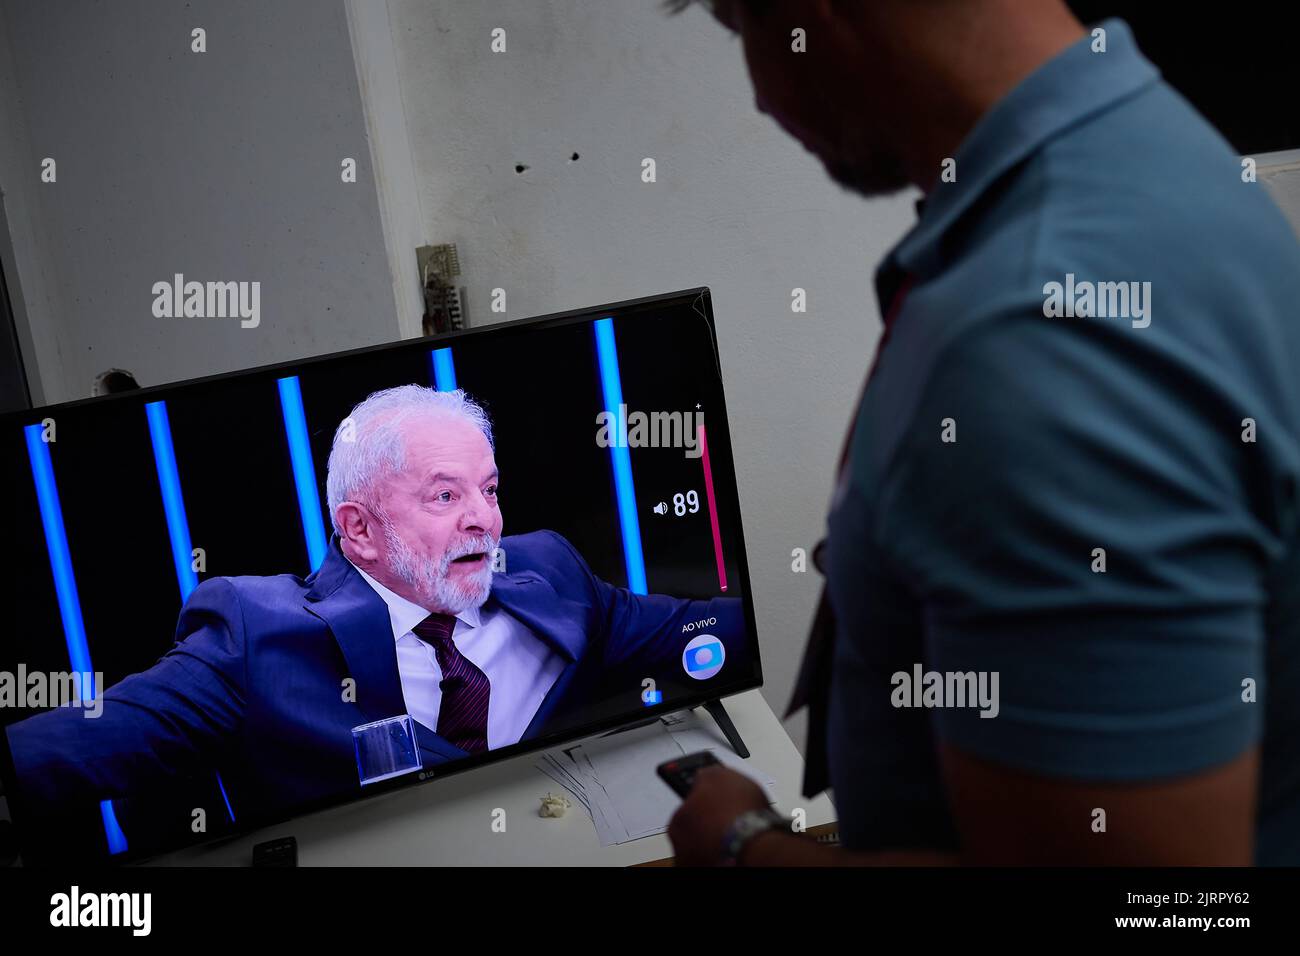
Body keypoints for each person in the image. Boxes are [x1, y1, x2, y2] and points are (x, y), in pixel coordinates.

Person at [663, 0, 1300, 865]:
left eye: (744, 28)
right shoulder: (1149, 147)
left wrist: (745, 846)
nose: (763, 102)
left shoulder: (1040, 335)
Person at [8, 385, 743, 820]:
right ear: (359, 529)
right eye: (446, 495)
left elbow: (695, 630)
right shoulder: (254, 633)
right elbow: (93, 741)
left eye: (488, 490)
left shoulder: (549, 571)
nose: (484, 518)